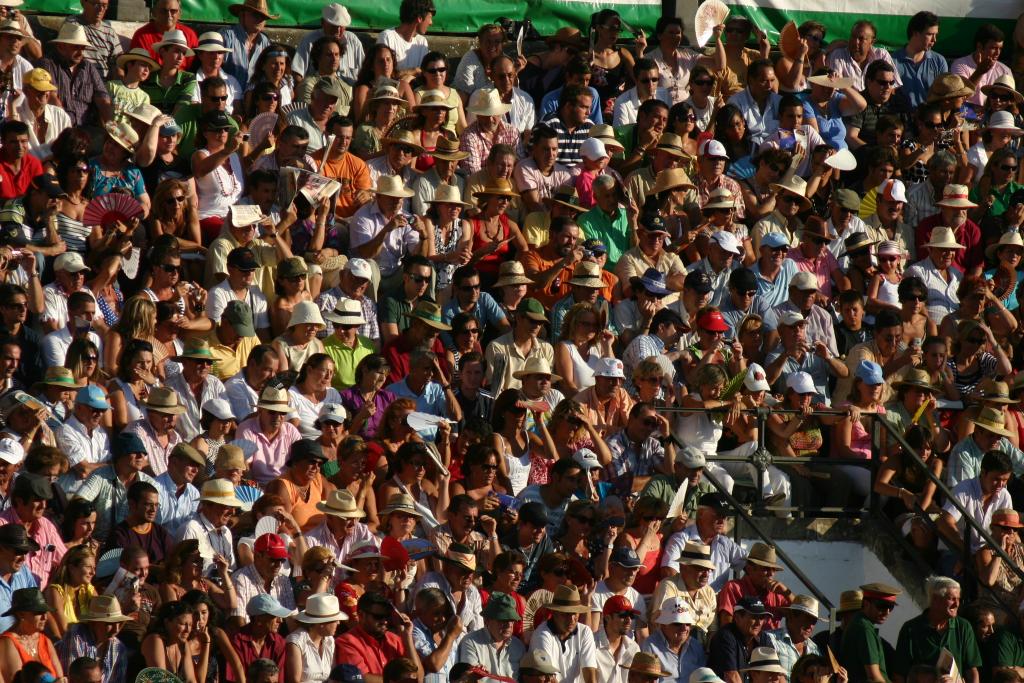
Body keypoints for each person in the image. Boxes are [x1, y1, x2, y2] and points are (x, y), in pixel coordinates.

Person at [37, 24, 114, 128]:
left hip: (87, 129)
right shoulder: (47, 64)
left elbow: (103, 99)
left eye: (83, 48)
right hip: (58, 127)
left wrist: (112, 127)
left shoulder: (88, 67)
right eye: (76, 47)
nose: (80, 52)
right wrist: (66, 126)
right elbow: (51, 97)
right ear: (61, 47)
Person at [336, 591, 419, 679]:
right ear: (361, 615)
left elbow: (418, 677)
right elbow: (360, 679)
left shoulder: (395, 640)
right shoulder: (346, 642)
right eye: (378, 617)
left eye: (387, 616)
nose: (385, 621)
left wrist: (408, 637)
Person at [528, 584, 597, 682]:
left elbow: (590, 673)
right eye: (566, 614)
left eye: (575, 613)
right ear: (555, 613)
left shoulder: (585, 631)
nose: (572, 619)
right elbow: (549, 678)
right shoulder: (541, 634)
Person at [55, 595, 130, 683]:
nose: (116, 629)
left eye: (119, 623)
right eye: (110, 624)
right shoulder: (76, 636)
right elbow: (72, 677)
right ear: (93, 623)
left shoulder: (119, 648)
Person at [839, 582, 902, 683]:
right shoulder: (865, 629)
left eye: (891, 607)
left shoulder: (862, 624)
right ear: (866, 604)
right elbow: (874, 678)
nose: (887, 612)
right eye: (882, 606)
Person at [0, 587, 64, 681]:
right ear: (21, 614)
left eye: (45, 612)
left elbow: (60, 677)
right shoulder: (7, 643)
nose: (45, 617)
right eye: (39, 612)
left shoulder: (45, 640)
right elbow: (15, 680)